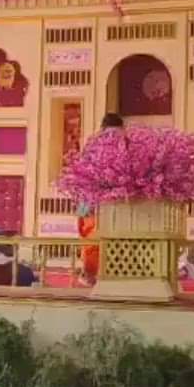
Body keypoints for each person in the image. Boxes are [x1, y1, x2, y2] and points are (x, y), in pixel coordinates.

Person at [77, 114, 124, 285]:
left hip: (94, 201)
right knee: (99, 239)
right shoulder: (119, 143)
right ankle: (98, 274)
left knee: (94, 239)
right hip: (103, 201)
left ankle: (93, 274)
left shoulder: (93, 144)